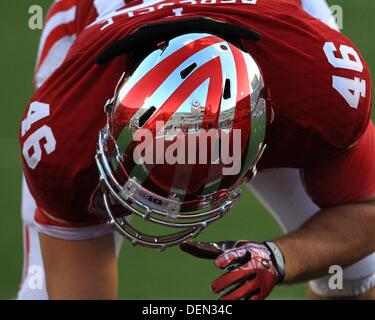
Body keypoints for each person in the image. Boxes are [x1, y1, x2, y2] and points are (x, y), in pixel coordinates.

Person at [18, 0, 375, 300]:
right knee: (42, 293)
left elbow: (368, 214)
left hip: (280, 40)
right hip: (91, 27)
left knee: (356, 271)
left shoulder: (315, 86)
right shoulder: (67, 130)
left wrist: (280, 258)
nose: (176, 203)